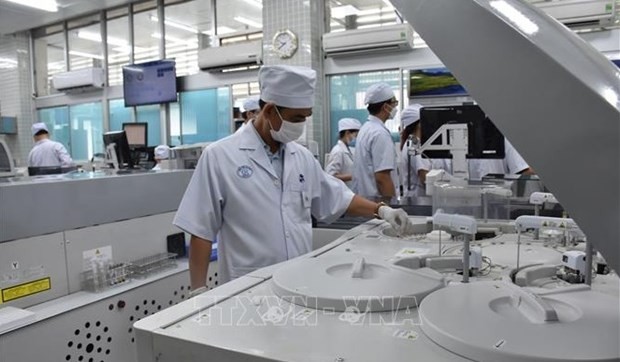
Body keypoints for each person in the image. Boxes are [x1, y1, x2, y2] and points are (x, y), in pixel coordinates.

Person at [173, 65, 415, 292]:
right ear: (269, 111)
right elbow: (201, 230)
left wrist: (382, 211)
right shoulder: (219, 156)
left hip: (299, 282)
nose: (302, 125)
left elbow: (339, 198)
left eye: (306, 117)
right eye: (297, 118)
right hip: (247, 285)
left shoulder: (301, 156)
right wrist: (199, 292)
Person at [352, 82, 399, 200]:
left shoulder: (366, 128)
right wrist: (392, 209)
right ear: (385, 107)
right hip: (379, 205)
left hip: (367, 202)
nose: (395, 107)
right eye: (394, 103)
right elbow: (382, 178)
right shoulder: (380, 134)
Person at [325, 117, 361, 188]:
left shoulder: (348, 150)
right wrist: (353, 176)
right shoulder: (338, 151)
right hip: (342, 193)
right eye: (356, 135)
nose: (357, 138)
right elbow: (331, 176)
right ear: (347, 133)